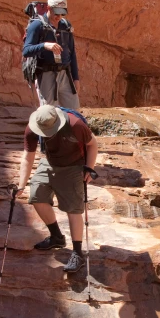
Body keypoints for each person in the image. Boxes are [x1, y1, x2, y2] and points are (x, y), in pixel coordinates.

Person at [17, 105, 98, 272]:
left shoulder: (75, 125)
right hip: (50, 162)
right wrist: (21, 185)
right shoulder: (32, 129)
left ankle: (77, 254)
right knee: (36, 196)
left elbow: (92, 144)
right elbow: (28, 157)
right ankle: (56, 237)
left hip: (74, 165)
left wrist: (89, 168)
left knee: (73, 209)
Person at [22, 0, 80, 110]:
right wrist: (45, 45)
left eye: (62, 13)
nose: (59, 17)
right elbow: (26, 51)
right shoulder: (37, 25)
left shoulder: (66, 26)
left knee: (74, 112)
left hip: (65, 74)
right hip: (46, 74)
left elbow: (72, 53)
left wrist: (76, 78)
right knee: (49, 113)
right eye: (56, 13)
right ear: (48, 8)